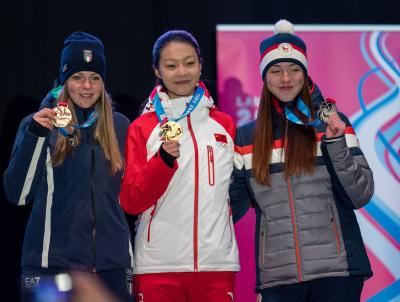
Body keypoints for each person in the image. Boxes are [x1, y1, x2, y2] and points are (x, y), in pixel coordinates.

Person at [229, 20, 374, 302]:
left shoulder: (333, 124)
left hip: (338, 273)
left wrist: (334, 143)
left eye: (294, 69)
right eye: (276, 70)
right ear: (264, 77)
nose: (286, 78)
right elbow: (229, 209)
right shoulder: (247, 137)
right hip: (278, 279)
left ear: (305, 74)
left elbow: (361, 193)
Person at [3, 31, 134, 302]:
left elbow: (133, 194)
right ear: (64, 81)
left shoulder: (120, 126)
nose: (86, 86)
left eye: (95, 78)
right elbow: (17, 194)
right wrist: (36, 136)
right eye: (77, 77)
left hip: (113, 268)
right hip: (52, 267)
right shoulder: (37, 124)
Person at [119, 30, 240, 302]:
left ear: (201, 65)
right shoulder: (143, 127)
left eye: (189, 63)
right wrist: (162, 162)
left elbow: (238, 191)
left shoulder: (224, 124)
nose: (182, 72)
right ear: (157, 71)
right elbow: (131, 201)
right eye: (171, 66)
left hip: (216, 265)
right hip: (157, 266)